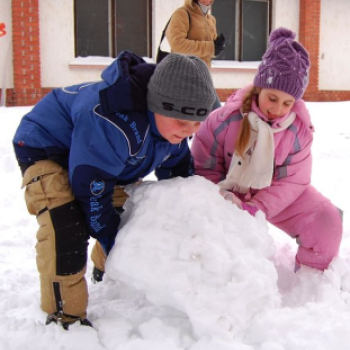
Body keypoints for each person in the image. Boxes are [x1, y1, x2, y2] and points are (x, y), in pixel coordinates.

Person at [13, 51, 216, 329]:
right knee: (66, 227)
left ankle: (104, 267)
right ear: (157, 105)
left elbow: (180, 177)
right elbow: (91, 191)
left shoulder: (172, 130)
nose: (188, 131)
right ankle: (65, 317)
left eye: (196, 123)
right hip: (48, 147)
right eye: (182, 121)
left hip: (102, 158)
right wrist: (114, 242)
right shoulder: (114, 122)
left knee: (127, 213)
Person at [191, 28, 343, 272]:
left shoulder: (298, 130)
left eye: (288, 103)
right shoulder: (223, 120)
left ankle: (309, 283)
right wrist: (222, 202)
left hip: (271, 196)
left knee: (327, 221)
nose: (278, 108)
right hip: (226, 194)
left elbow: (293, 181)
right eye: (272, 98)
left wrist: (256, 208)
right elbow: (203, 166)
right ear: (259, 88)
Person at [166, 0, 225, 109]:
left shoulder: (211, 19)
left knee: (217, 117)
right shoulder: (182, 14)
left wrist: (217, 48)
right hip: (183, 79)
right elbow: (177, 44)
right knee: (189, 121)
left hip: (204, 79)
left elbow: (207, 52)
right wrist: (211, 47)